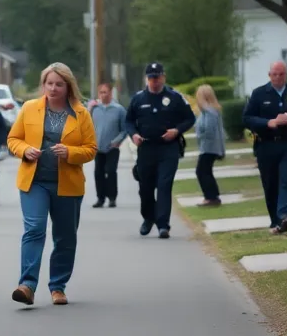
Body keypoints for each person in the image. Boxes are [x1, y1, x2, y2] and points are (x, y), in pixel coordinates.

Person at [7, 63, 98, 306]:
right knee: (35, 229)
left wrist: (70, 152)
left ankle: (58, 287)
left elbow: (91, 150)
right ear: (43, 85)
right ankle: (27, 285)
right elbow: (13, 139)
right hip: (34, 182)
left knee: (65, 237)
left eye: (59, 84)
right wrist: (25, 150)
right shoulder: (29, 108)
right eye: (50, 83)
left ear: (68, 86)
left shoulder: (81, 114)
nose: (54, 88)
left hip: (67, 185)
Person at [123, 62, 196, 239]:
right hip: (146, 148)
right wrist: (133, 135)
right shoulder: (138, 99)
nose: (154, 81)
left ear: (163, 77)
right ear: (146, 79)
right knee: (145, 188)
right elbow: (128, 121)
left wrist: (176, 131)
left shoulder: (175, 97)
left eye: (157, 77)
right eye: (151, 78)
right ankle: (148, 218)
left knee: (164, 185)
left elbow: (190, 118)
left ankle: (163, 225)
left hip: (168, 148)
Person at [243, 61, 287, 234]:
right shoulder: (259, 94)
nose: (278, 77)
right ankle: (275, 221)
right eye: (274, 74)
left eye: (281, 74)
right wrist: (268, 123)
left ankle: (285, 216)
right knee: (270, 183)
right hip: (266, 144)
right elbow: (247, 118)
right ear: (269, 75)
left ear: (286, 74)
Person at [89, 81, 128, 208]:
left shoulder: (119, 110)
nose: (103, 95)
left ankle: (112, 198)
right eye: (101, 92)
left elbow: (125, 129)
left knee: (111, 171)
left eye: (105, 92)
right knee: (98, 173)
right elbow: (86, 124)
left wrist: (118, 141)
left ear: (110, 93)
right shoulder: (95, 109)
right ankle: (100, 198)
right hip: (98, 147)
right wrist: (89, 108)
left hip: (112, 147)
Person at [192, 84, 227, 207]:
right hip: (208, 147)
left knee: (201, 171)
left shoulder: (209, 112)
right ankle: (212, 196)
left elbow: (208, 130)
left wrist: (200, 135)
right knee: (205, 171)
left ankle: (211, 197)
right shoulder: (208, 111)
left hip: (209, 147)